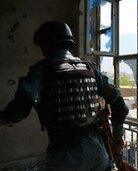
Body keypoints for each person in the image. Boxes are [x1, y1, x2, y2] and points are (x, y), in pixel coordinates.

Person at [0, 21, 129, 171]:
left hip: (66, 158)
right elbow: (120, 106)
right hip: (99, 154)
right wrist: (117, 138)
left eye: (42, 46)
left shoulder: (42, 69)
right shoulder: (90, 67)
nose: (42, 51)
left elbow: (20, 108)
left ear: (47, 45)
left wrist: (3, 118)